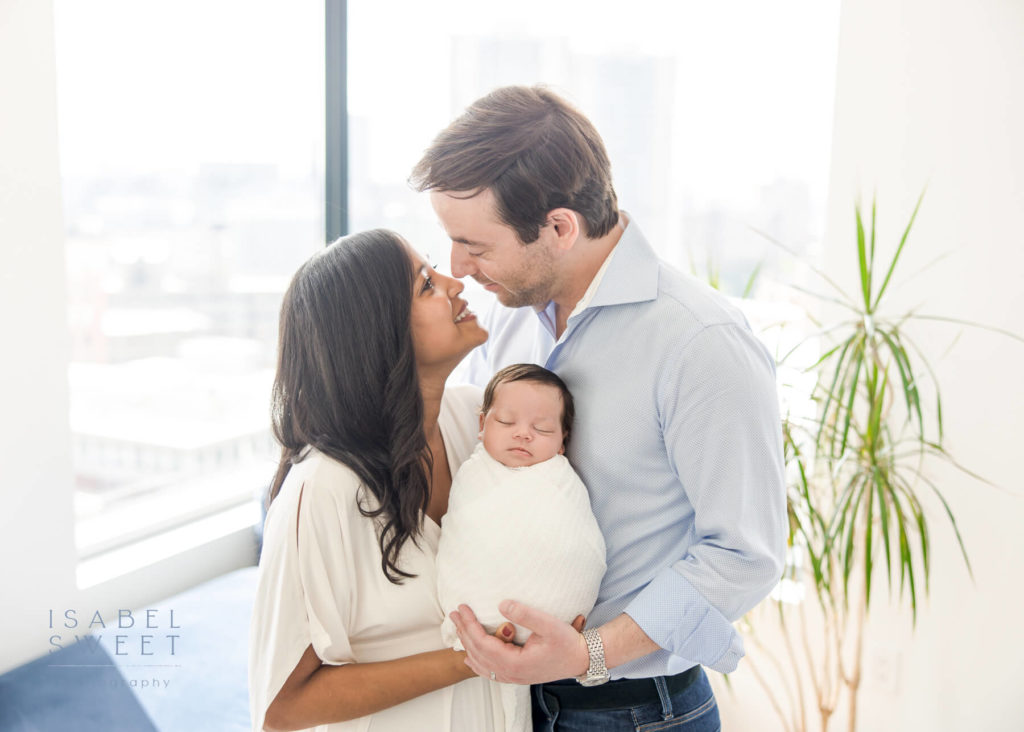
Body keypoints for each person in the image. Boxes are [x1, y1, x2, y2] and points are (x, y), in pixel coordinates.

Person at [411, 85, 788, 731]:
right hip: (504, 701)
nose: (458, 266)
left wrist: (588, 653)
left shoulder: (702, 344)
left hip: (634, 711)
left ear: (559, 227)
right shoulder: (508, 320)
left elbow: (744, 554)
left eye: (475, 245)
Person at [248, 229, 512, 732]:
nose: (455, 282)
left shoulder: (477, 421)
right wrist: (474, 657)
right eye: (425, 285)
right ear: (378, 332)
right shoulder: (321, 488)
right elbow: (283, 707)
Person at [436, 364, 606, 732]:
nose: (523, 435)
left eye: (542, 429)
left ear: (562, 441)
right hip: (476, 626)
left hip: (564, 644)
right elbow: (461, 536)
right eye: (506, 422)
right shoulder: (473, 474)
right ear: (481, 425)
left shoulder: (561, 479)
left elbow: (579, 541)